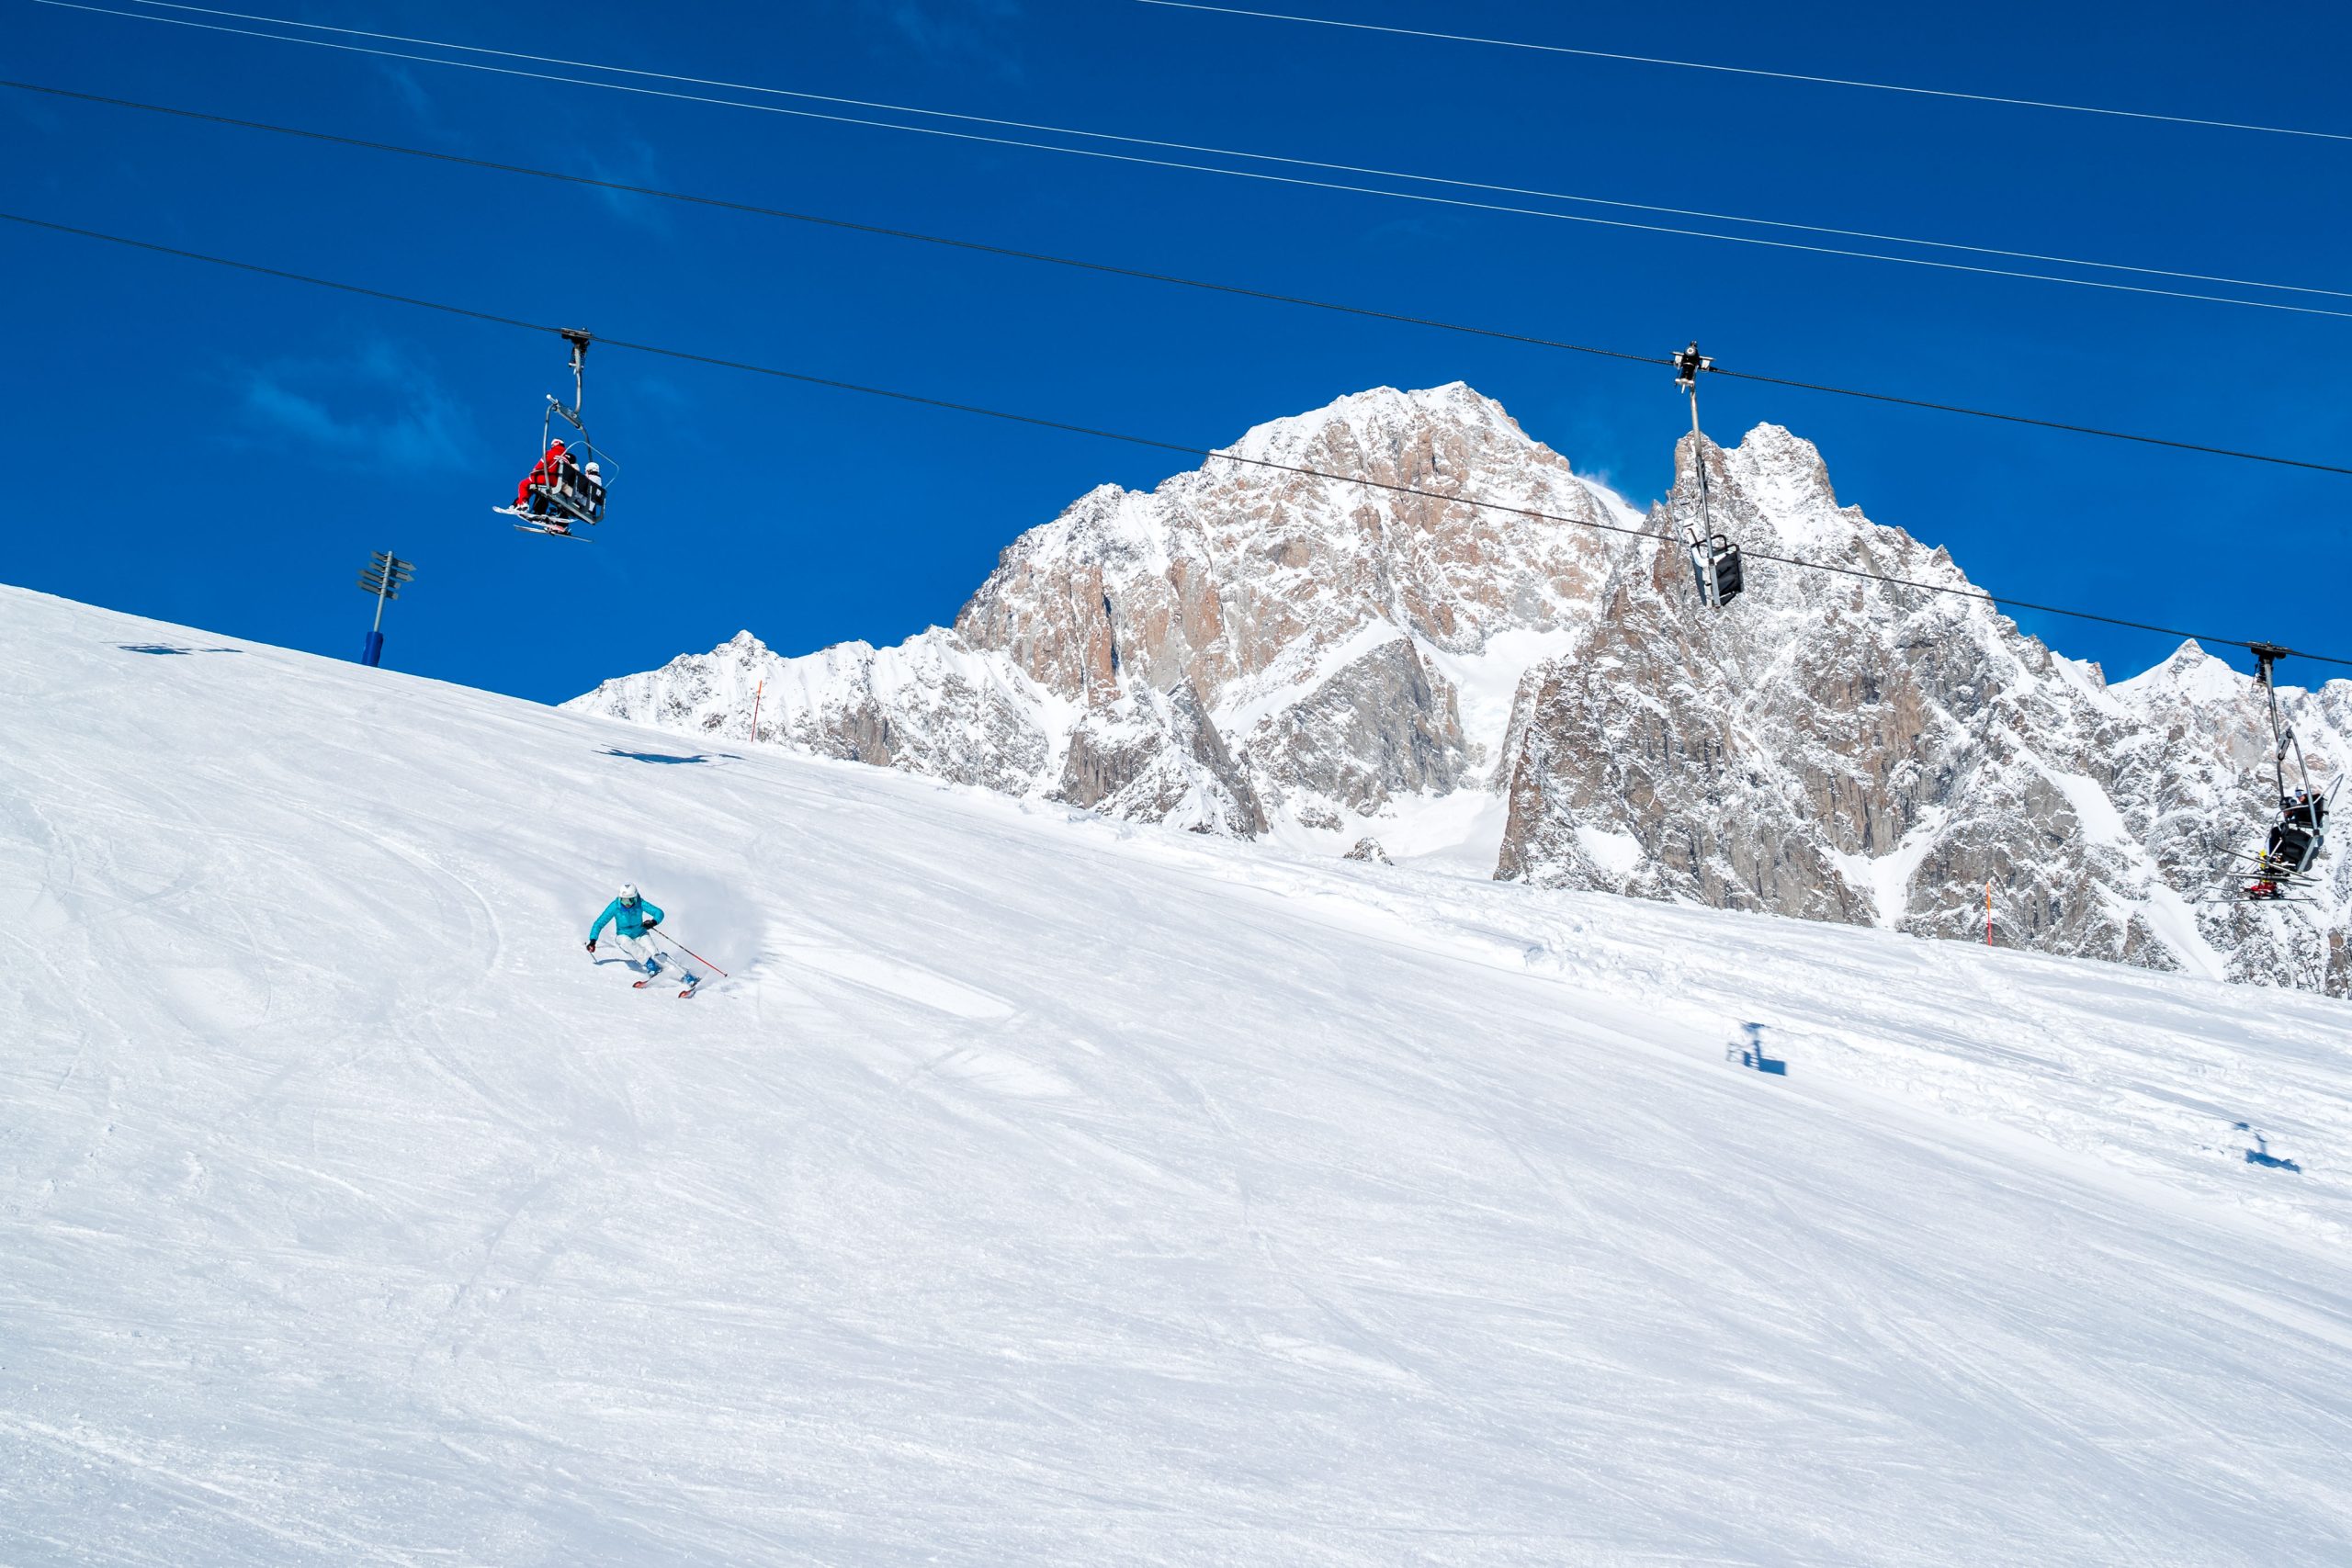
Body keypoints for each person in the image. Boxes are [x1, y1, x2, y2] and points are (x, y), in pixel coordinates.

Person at [585, 882, 697, 987]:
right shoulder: (615, 906)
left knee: (656, 955)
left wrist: (653, 922)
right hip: (624, 935)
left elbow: (659, 912)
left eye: (630, 900)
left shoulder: (640, 903)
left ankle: (686, 976)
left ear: (635, 897)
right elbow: (599, 923)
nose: (628, 904)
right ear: (620, 898)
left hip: (641, 933)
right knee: (625, 941)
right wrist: (593, 940)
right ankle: (650, 966)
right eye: (624, 901)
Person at [514, 439, 570, 528]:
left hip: (547, 479)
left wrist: (533, 473)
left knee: (523, 484)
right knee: (539, 490)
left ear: (555, 444)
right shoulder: (566, 458)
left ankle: (522, 503)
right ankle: (537, 510)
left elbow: (540, 466)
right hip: (557, 483)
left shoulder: (551, 453)